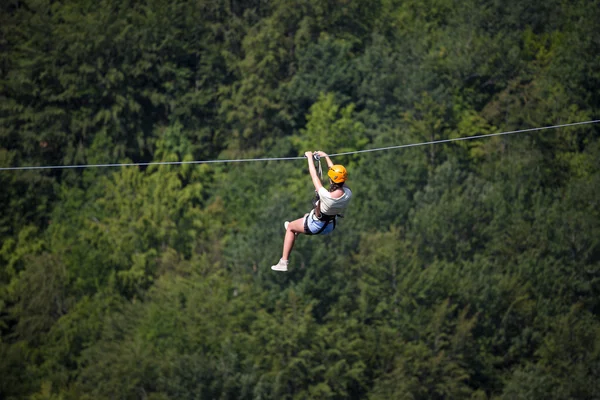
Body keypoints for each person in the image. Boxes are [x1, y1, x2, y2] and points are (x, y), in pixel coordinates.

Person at [271, 150, 353, 272]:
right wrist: (326, 156)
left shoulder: (327, 195)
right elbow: (335, 172)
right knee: (306, 217)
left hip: (316, 225)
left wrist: (309, 157)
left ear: (331, 180)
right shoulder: (348, 193)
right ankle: (297, 230)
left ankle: (284, 262)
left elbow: (314, 176)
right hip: (330, 225)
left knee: (290, 228)